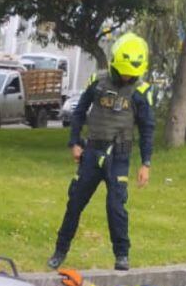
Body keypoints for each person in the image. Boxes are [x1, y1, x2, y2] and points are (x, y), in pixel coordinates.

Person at [47, 32, 155, 272]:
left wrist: (146, 163)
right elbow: (79, 112)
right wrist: (74, 142)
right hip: (92, 152)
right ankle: (59, 250)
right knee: (75, 202)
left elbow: (148, 129)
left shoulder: (141, 91)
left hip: (119, 157)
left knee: (116, 207)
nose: (128, 77)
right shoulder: (98, 81)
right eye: (126, 72)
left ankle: (122, 255)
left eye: (133, 74)